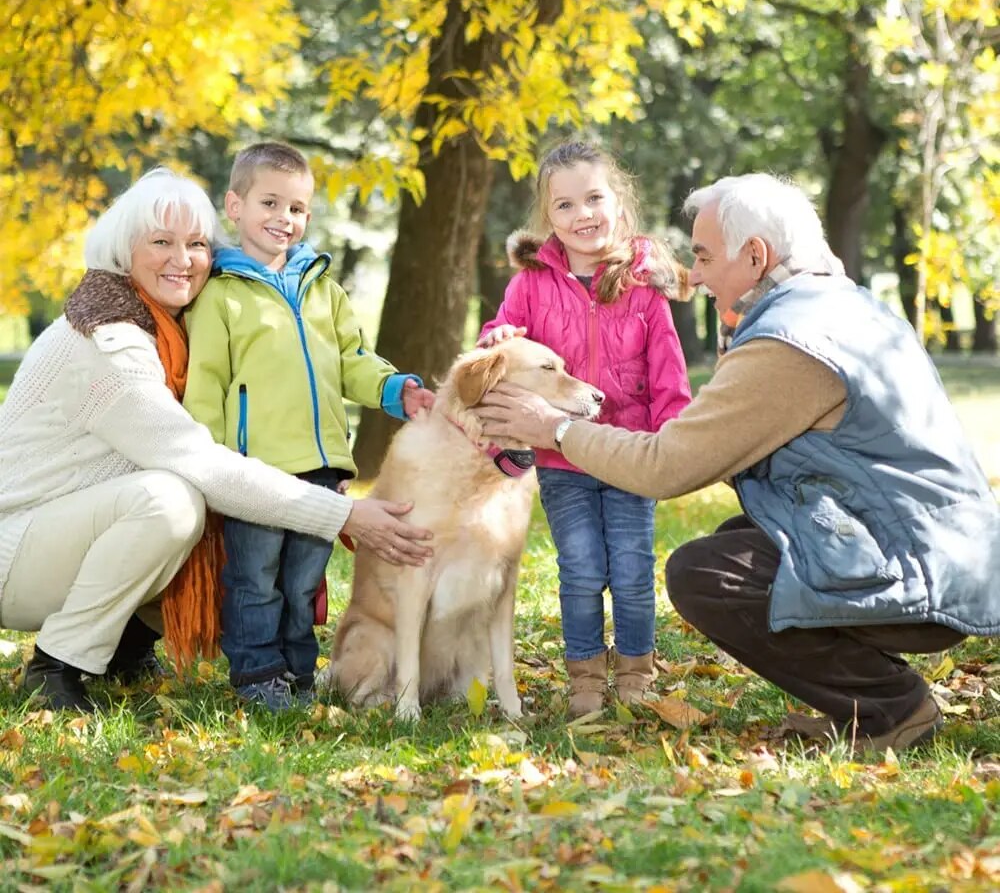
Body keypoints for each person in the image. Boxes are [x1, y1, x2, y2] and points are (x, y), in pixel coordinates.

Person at [471, 171, 1000, 752]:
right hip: (951, 553)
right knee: (740, 540)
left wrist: (555, 428)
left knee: (709, 574)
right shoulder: (842, 307)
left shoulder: (792, 342)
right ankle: (865, 702)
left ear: (755, 256)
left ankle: (890, 707)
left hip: (926, 575)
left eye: (703, 256)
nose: (693, 275)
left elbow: (667, 466)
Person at [0, 168, 432, 714]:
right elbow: (198, 460)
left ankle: (126, 649)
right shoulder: (109, 341)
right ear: (123, 250)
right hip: (14, 551)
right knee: (173, 500)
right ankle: (56, 667)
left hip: (60, 533)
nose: (182, 259)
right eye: (161, 242)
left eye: (196, 244)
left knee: (215, 508)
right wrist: (343, 516)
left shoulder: (172, 329)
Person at [183, 142, 435, 711]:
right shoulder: (221, 296)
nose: (284, 219)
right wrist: (212, 466)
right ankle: (256, 674)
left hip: (323, 468)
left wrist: (395, 390)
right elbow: (206, 387)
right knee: (255, 578)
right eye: (269, 203)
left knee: (302, 584)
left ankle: (297, 673)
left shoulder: (324, 288)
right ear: (234, 206)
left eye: (296, 208)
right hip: (256, 471)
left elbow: (352, 360)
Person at [478, 139, 691, 717]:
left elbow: (668, 373)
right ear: (549, 217)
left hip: (628, 454)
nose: (583, 215)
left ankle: (635, 672)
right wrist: (495, 335)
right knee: (578, 570)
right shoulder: (531, 285)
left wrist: (670, 440)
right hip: (562, 460)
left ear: (618, 202)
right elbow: (504, 340)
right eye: (565, 205)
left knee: (630, 569)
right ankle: (585, 678)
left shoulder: (643, 290)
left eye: (595, 198)